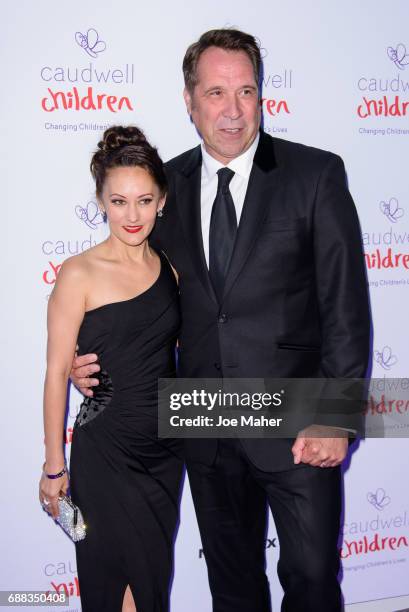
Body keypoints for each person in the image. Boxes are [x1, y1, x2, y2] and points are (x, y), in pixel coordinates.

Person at [71, 29, 370, 612]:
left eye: (246, 92)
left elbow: (347, 306)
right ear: (189, 100)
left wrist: (339, 416)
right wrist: (88, 361)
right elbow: (134, 288)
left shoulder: (316, 175)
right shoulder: (165, 191)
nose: (232, 111)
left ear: (262, 96)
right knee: (233, 589)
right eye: (215, 93)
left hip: (299, 421)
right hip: (204, 421)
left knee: (311, 576)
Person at [39, 126, 184, 612]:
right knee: (114, 581)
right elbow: (56, 372)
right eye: (118, 201)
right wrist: (54, 467)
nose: (132, 214)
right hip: (107, 455)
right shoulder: (78, 273)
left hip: (165, 451)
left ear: (161, 200)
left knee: (151, 582)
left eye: (144, 200)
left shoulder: (170, 268)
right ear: (101, 201)